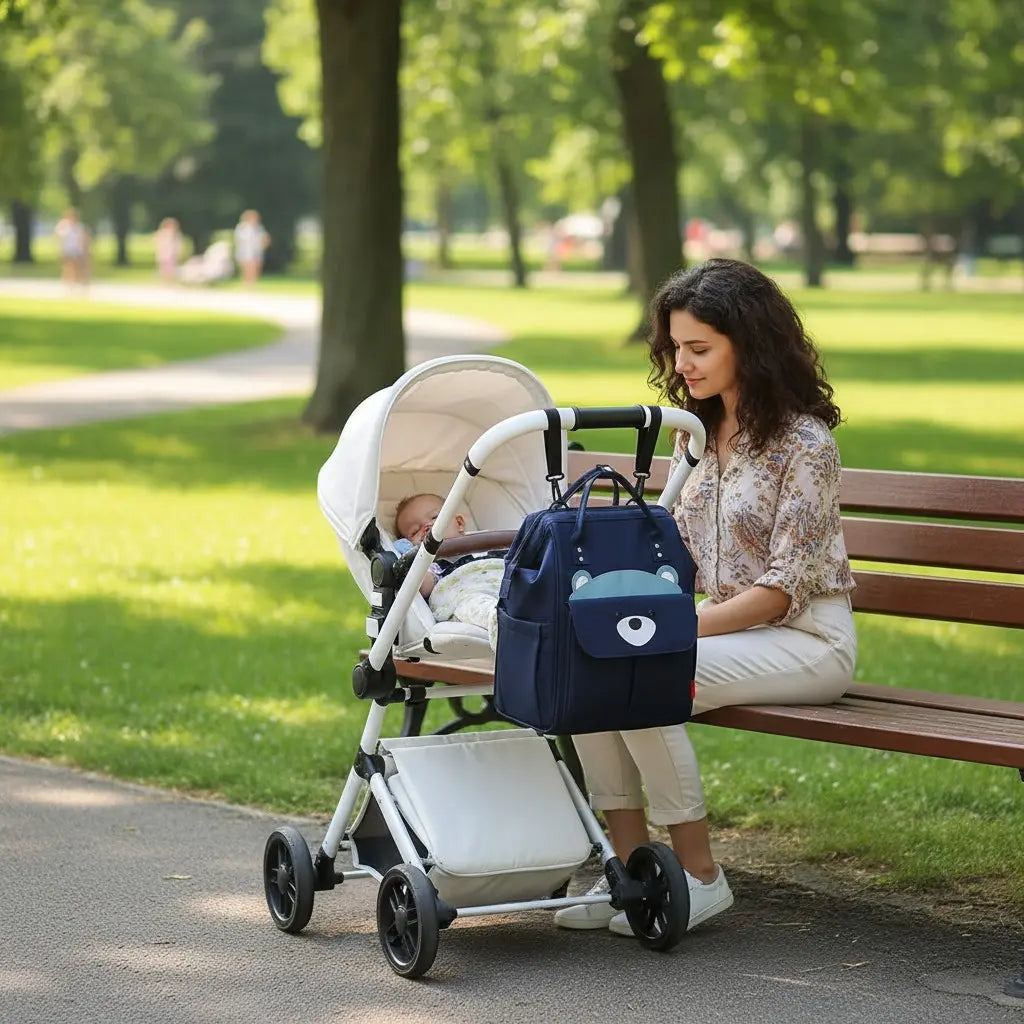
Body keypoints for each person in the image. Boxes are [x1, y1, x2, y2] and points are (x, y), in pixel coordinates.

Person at [554, 257, 857, 937]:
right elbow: (666, 548)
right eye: (675, 349)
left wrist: (675, 630)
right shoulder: (697, 439)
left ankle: (697, 877)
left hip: (809, 640)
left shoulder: (804, 444)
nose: (682, 364)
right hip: (729, 634)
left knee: (643, 675)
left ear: (748, 344)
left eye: (699, 348)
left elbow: (782, 590)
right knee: (595, 670)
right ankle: (630, 877)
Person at [394, 493, 503, 650]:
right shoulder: (432, 566)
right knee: (476, 607)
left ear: (459, 523)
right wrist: (407, 555)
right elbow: (421, 584)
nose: (427, 527)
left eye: (435, 518)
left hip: (506, 585)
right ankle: (501, 624)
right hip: (465, 598)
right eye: (414, 531)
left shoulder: (487, 542)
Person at [233, 209, 270, 286]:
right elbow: (241, 239)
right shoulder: (242, 228)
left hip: (257, 250)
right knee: (247, 267)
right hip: (245, 251)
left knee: (256, 266)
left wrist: (264, 243)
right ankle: (246, 283)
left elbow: (265, 238)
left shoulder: (259, 228)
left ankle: (254, 282)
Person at [55, 208, 90, 286]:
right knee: (68, 266)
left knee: (78, 266)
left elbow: (83, 239)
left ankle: (77, 282)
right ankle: (67, 283)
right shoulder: (64, 226)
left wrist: (85, 249)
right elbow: (60, 239)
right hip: (68, 250)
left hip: (77, 250)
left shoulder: (79, 227)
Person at [154, 217, 183, 283]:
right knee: (164, 268)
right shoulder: (163, 233)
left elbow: (178, 244)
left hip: (172, 253)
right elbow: (159, 243)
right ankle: (166, 280)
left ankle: (170, 280)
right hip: (164, 253)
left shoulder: (176, 234)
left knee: (172, 268)